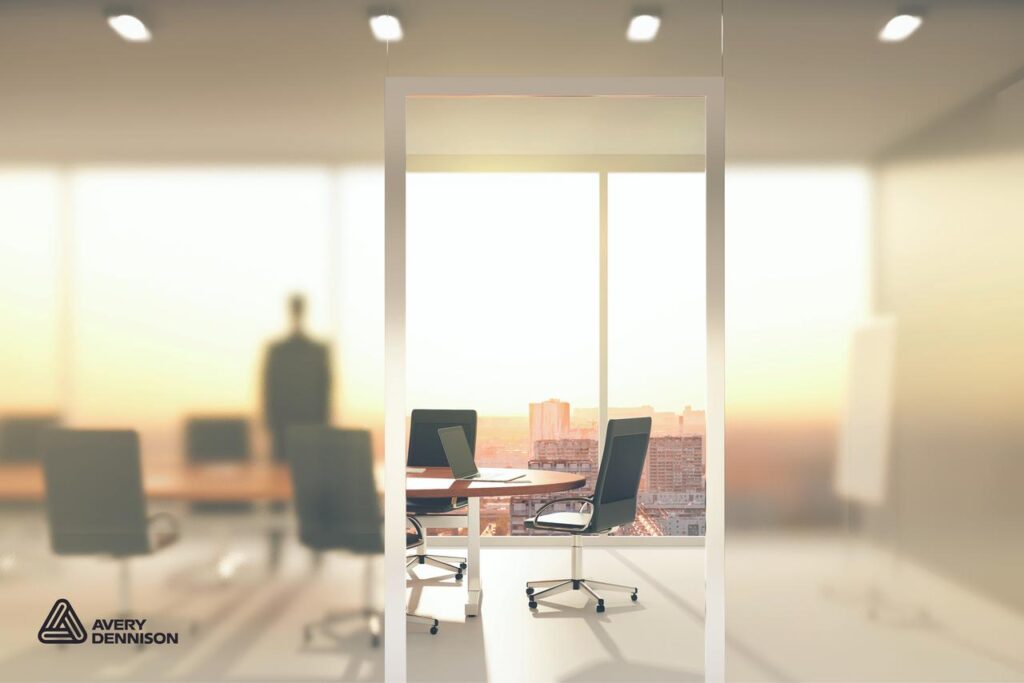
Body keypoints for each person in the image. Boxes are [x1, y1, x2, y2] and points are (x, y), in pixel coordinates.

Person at [262, 294, 332, 462]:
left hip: (312, 429)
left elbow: (325, 392)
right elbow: (268, 389)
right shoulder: (277, 350)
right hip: (282, 430)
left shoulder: (319, 351)